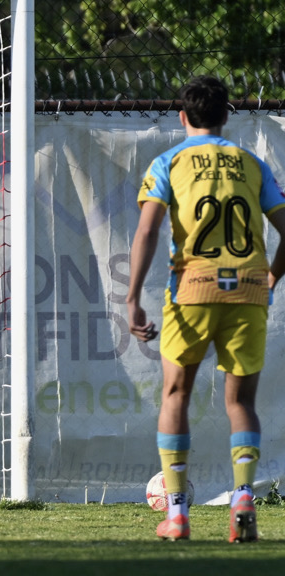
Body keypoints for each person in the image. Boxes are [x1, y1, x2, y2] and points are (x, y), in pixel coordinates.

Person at [126, 75, 285, 542]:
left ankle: (177, 514)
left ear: (182, 116)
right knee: (241, 402)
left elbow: (147, 231)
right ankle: (243, 498)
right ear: (226, 116)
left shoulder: (169, 162)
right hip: (248, 291)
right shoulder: (251, 163)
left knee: (175, 395)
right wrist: (272, 277)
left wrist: (132, 298)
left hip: (192, 289)